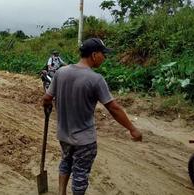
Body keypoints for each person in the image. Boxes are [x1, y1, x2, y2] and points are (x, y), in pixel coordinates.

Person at [42, 38, 143, 195]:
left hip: (64, 136)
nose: (105, 58)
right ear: (94, 55)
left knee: (66, 162)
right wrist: (132, 129)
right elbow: (113, 108)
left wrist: (47, 107)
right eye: (104, 54)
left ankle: (61, 192)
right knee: (80, 174)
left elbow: (47, 98)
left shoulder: (61, 72)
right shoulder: (95, 79)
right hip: (84, 140)